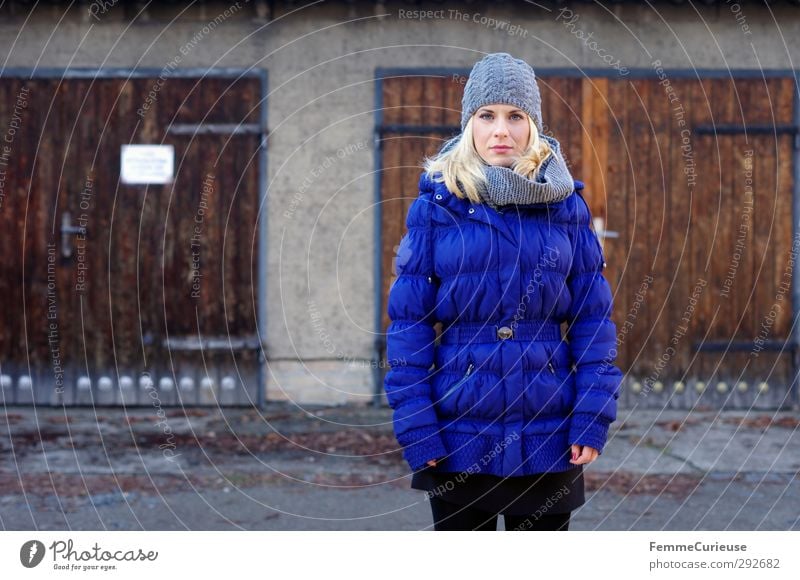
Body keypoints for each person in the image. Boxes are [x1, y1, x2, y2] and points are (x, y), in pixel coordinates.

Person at [383, 52, 623, 531]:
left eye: (515, 117)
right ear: (469, 123)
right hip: (458, 436)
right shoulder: (437, 204)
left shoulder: (565, 206)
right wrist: (417, 429)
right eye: (486, 116)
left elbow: (593, 324)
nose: (500, 131)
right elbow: (408, 329)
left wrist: (591, 417)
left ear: (532, 126)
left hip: (548, 436)